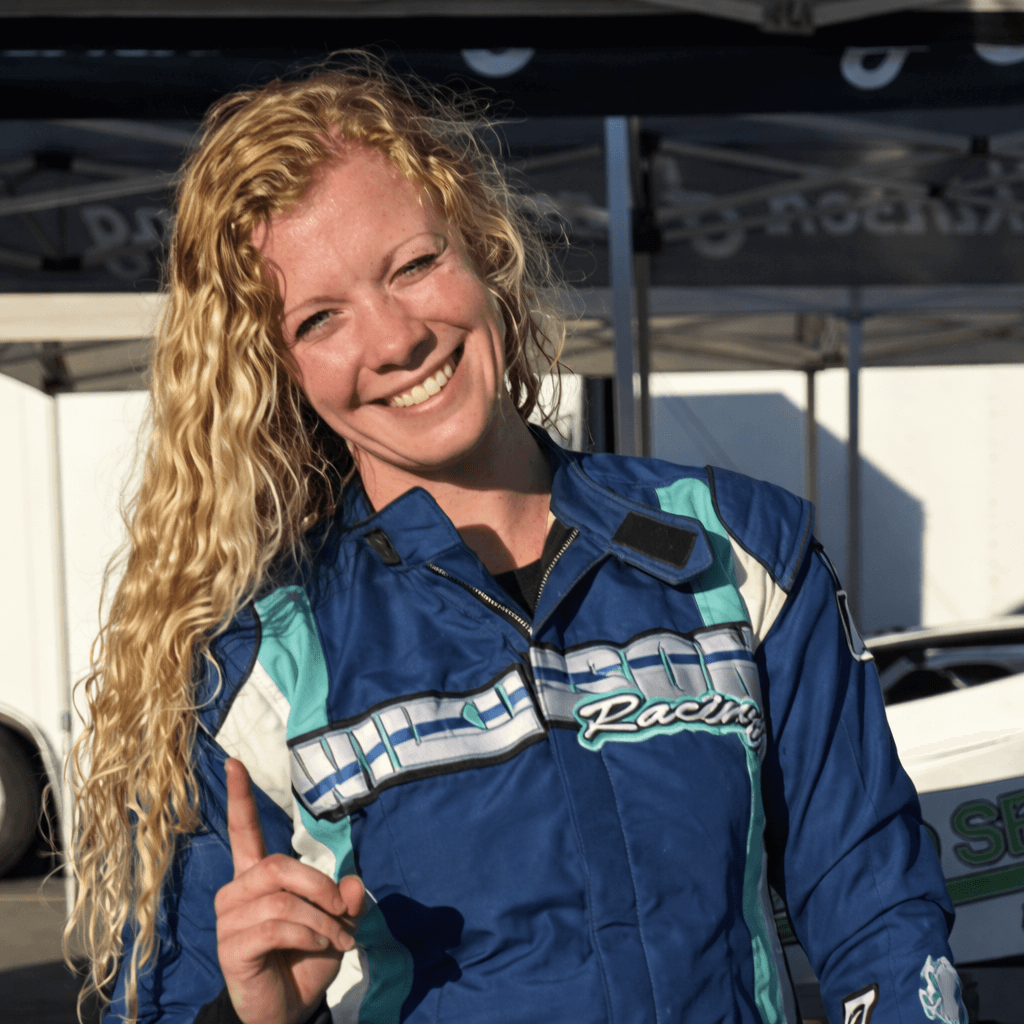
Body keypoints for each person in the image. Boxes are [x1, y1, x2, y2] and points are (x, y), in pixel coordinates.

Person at [68, 55, 968, 1024]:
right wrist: (256, 1020)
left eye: (414, 265)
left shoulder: (733, 544)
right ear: (276, 369)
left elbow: (872, 897)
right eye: (322, 317)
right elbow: (174, 1000)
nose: (394, 338)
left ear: (484, 253)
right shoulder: (262, 669)